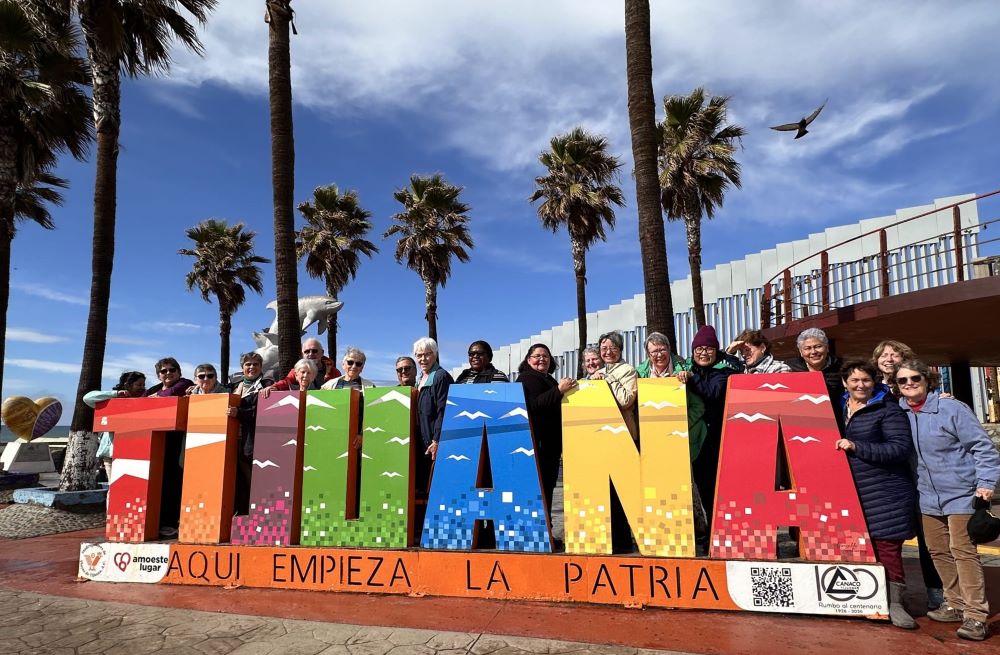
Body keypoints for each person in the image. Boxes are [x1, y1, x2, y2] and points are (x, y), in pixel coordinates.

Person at [897, 359, 1000, 641]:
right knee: (938, 551)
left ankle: (976, 615)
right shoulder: (900, 412)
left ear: (927, 379)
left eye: (914, 378)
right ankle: (954, 603)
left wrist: (986, 484)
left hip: (961, 492)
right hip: (926, 496)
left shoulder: (951, 408)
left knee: (963, 552)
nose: (909, 384)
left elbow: (983, 447)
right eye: (902, 381)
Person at [835, 360, 917, 629]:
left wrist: (857, 447)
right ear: (846, 382)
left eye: (866, 380)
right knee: (860, 547)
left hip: (885, 491)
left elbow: (899, 449)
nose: (860, 385)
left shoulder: (887, 410)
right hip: (853, 489)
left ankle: (895, 603)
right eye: (855, 380)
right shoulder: (839, 407)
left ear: (875, 382)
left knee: (887, 547)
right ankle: (867, 599)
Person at [675, 325, 737, 530]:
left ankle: (724, 531)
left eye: (708, 348)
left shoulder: (724, 370)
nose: (703, 353)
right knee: (704, 489)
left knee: (724, 490)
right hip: (696, 442)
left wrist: (692, 379)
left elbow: (713, 392)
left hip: (720, 439)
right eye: (699, 349)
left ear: (716, 351)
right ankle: (711, 532)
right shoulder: (685, 369)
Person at [517, 343, 576, 514]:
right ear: (529, 360)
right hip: (538, 443)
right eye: (537, 356)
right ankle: (542, 530)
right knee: (540, 487)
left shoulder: (549, 379)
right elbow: (534, 406)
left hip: (550, 444)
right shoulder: (526, 378)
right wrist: (559, 390)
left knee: (548, 486)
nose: (542, 359)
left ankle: (547, 530)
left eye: (546, 356)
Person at [227, 352, 273, 515]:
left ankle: (254, 513)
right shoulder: (234, 386)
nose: (251, 367)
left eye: (255, 364)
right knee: (236, 479)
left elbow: (263, 412)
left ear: (261, 367)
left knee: (252, 479)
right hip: (233, 438)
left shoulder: (268, 385)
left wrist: (238, 413)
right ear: (242, 367)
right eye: (248, 364)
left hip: (253, 441)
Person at [83, 371, 146, 484]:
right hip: (112, 454)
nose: (142, 388)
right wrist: (115, 394)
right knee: (115, 486)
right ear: (128, 385)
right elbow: (87, 398)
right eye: (139, 385)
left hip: (134, 453)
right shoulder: (111, 401)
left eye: (143, 385)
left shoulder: (145, 402)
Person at [413, 338, 453, 500]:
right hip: (422, 440)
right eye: (419, 355)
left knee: (434, 486)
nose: (423, 359)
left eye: (427, 354)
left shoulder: (441, 376)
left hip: (434, 441)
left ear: (435, 355)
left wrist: (437, 440)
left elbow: (443, 411)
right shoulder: (420, 378)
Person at [787, 328, 844, 427]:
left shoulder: (842, 368)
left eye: (818, 346)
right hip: (799, 425)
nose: (813, 352)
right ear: (801, 352)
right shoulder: (789, 368)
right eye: (807, 348)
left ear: (827, 348)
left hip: (834, 425)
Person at [589, 331, 638, 440]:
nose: (608, 352)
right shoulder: (599, 372)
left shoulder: (629, 370)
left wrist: (608, 379)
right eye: (604, 349)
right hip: (604, 431)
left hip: (625, 434)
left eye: (613, 348)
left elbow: (625, 401)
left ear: (620, 350)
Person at [268, 338, 341, 392]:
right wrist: (274, 387)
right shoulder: (297, 370)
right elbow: (286, 382)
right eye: (307, 351)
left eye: (314, 351)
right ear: (302, 355)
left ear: (322, 353)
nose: (311, 354)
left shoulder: (334, 372)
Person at [725, 329, 791, 374]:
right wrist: (729, 353)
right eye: (741, 352)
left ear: (762, 348)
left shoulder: (779, 368)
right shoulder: (742, 369)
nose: (743, 355)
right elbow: (721, 373)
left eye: (747, 350)